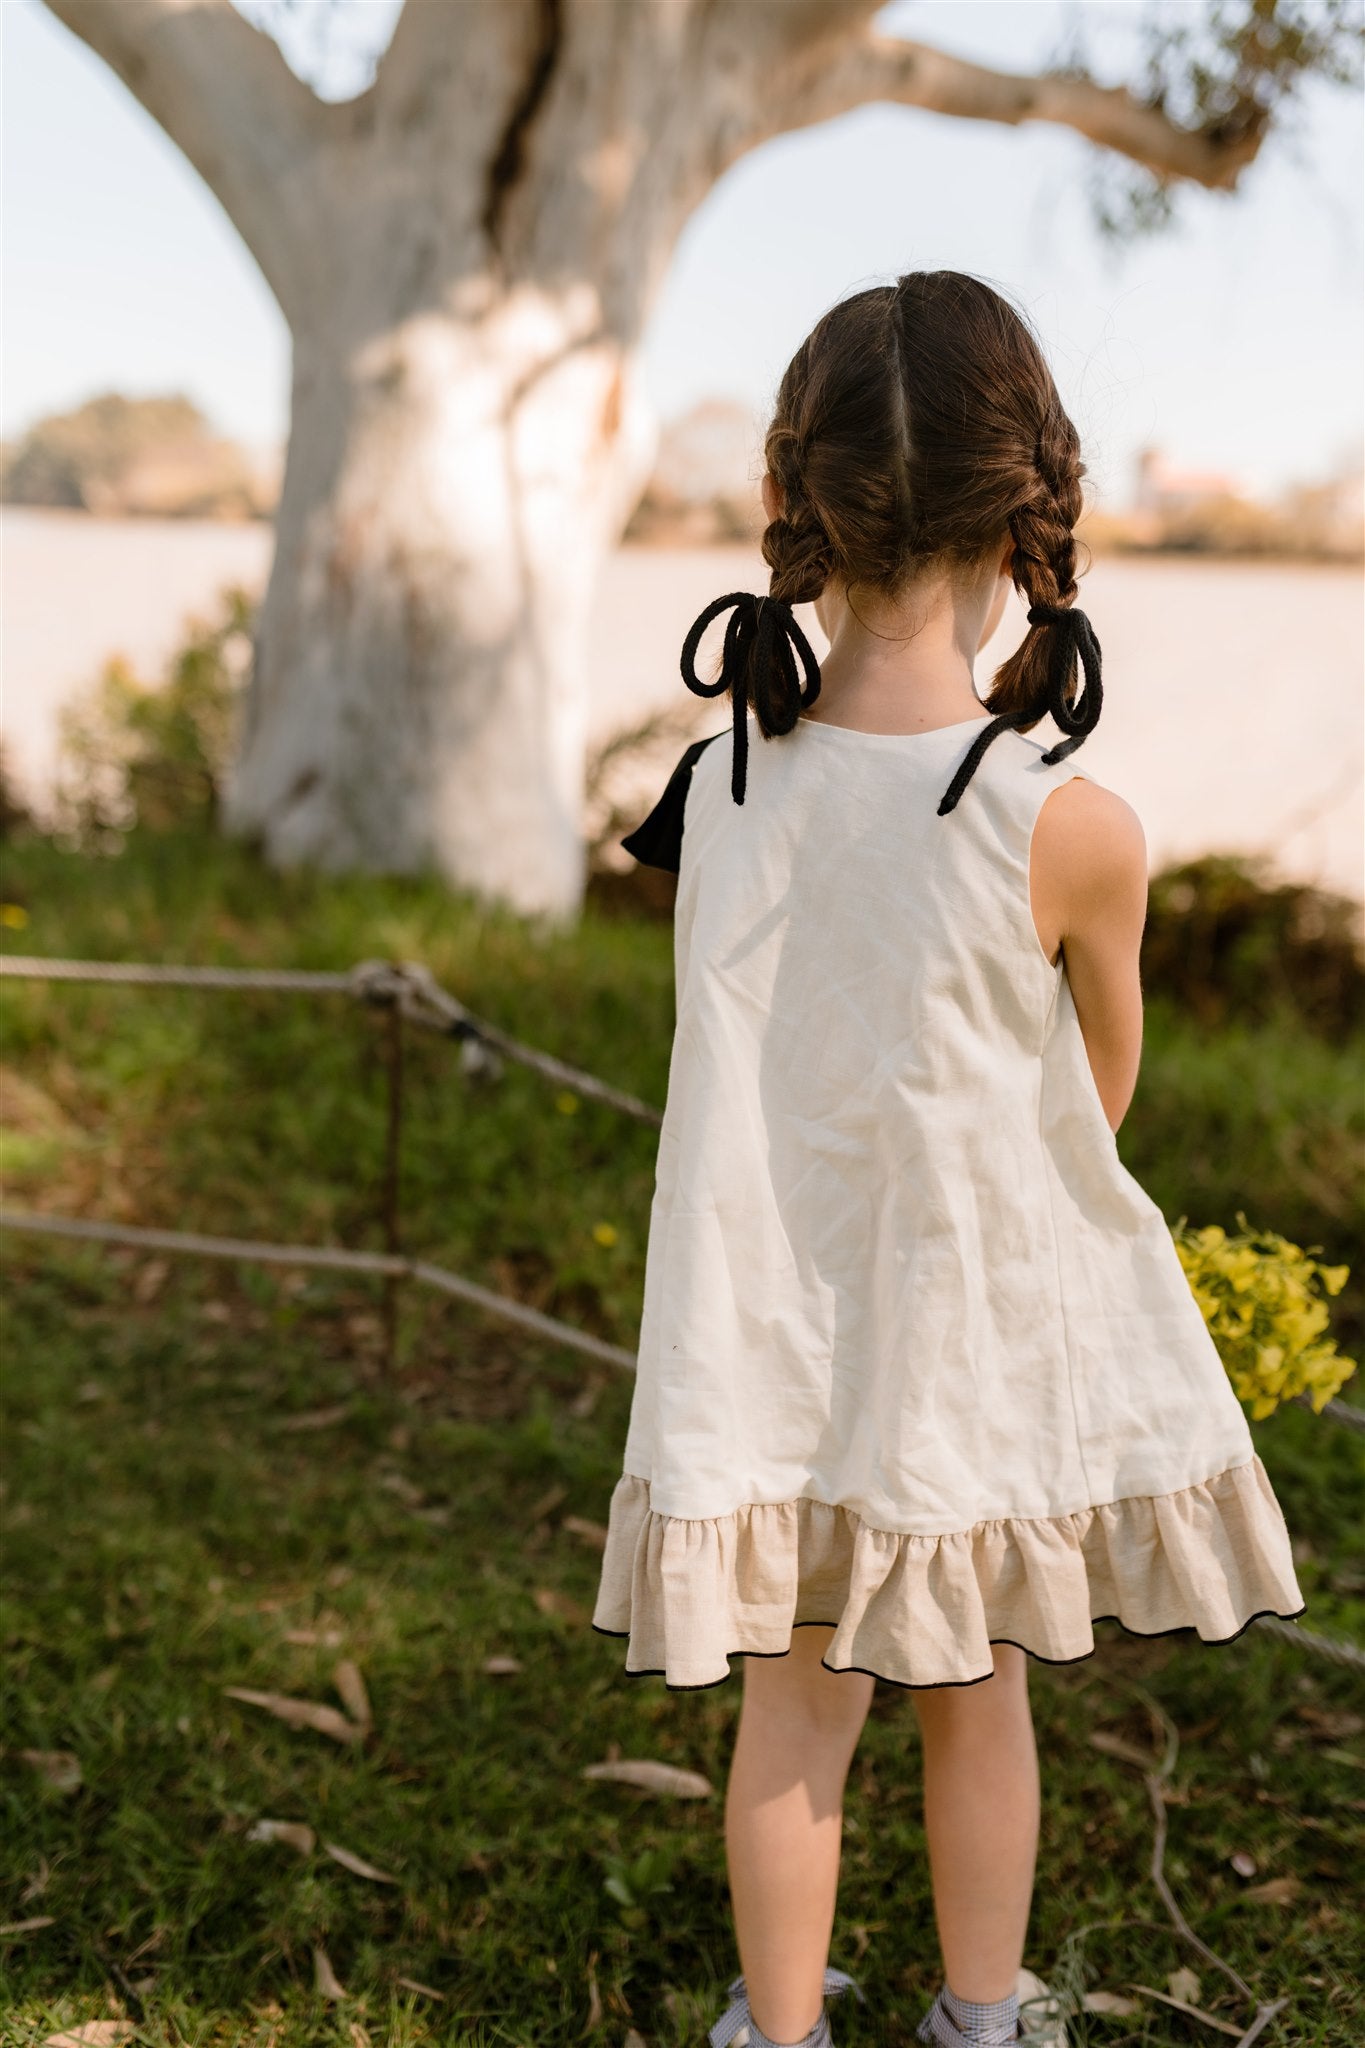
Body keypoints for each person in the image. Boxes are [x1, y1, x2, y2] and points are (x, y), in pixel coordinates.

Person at [590, 271, 1305, 2048]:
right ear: (1027, 512)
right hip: (958, 1351)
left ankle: (780, 2027)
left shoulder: (718, 789)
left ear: (802, 501)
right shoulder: (1070, 827)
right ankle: (979, 2021)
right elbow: (1092, 1105)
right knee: (979, 1697)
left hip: (759, 1341)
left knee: (794, 1712)